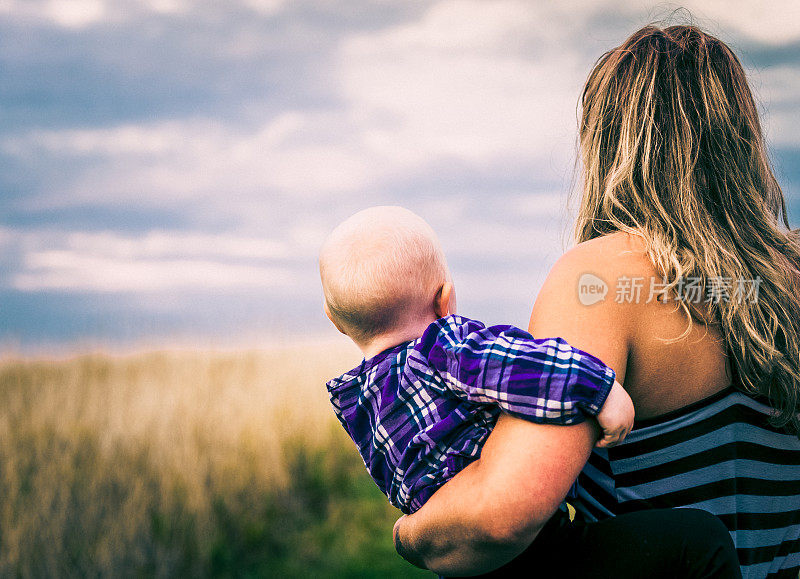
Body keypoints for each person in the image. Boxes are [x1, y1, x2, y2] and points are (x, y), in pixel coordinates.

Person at [392, 24, 800, 579]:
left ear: (611, 143)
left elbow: (499, 521)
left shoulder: (599, 282)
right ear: (741, 137)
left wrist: (412, 532)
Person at [320, 205, 741, 578]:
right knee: (699, 540)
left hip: (463, 564)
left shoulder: (356, 402)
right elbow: (524, 366)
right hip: (536, 554)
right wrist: (600, 388)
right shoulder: (442, 349)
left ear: (335, 320)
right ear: (444, 298)